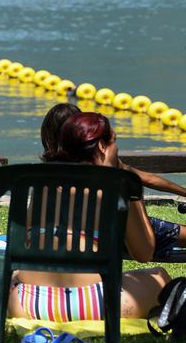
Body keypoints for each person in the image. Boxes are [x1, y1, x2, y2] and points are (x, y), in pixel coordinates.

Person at [9, 111, 170, 321]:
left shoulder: (42, 184)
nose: (116, 148)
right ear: (103, 147)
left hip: (29, 302)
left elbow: (23, 243)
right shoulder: (116, 186)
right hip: (93, 304)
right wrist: (130, 187)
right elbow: (144, 252)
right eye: (114, 142)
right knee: (161, 276)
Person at [41, 102, 186, 259]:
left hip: (76, 242)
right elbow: (149, 180)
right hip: (123, 232)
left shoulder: (44, 178)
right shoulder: (114, 174)